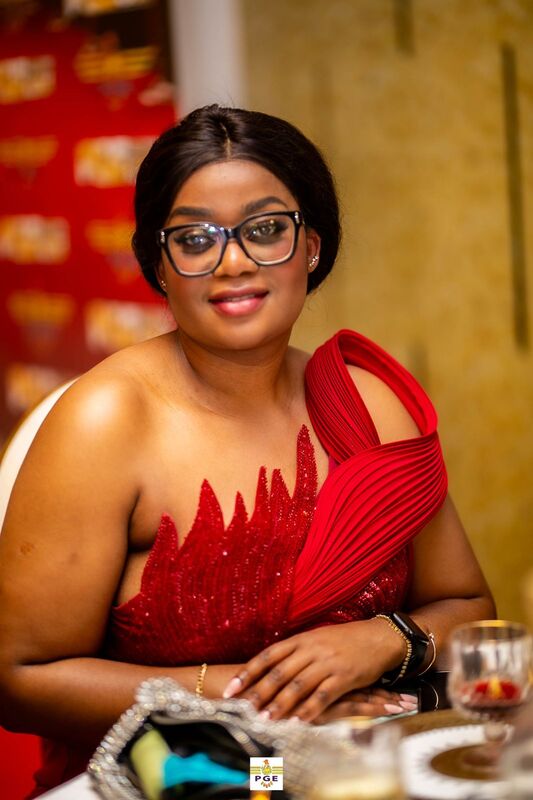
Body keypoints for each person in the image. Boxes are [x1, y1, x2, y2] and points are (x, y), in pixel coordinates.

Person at [0, 105, 495, 796]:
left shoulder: (368, 404)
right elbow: (20, 678)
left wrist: (381, 640)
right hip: (178, 776)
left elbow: (471, 609)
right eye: (195, 239)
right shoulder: (106, 421)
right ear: (159, 264)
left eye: (265, 230)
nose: (233, 263)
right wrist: (257, 699)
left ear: (311, 246)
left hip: (354, 771)